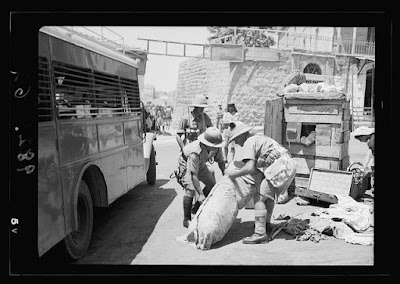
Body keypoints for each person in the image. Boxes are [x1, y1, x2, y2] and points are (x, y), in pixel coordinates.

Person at [226, 121, 297, 244]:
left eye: (235, 139)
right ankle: (266, 225)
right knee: (268, 197)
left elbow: (250, 168)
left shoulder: (248, 142)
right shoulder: (259, 137)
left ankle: (260, 233)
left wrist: (233, 174)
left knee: (259, 198)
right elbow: (261, 161)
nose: (236, 143)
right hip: (287, 164)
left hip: (280, 166)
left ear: (241, 135)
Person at [179, 127, 226, 228]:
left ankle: (195, 209)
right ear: (206, 144)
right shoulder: (195, 152)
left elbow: (221, 161)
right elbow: (193, 174)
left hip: (201, 164)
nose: (215, 147)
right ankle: (186, 219)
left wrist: (225, 174)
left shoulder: (217, 147)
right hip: (186, 163)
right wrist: (200, 194)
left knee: (212, 186)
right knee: (191, 189)